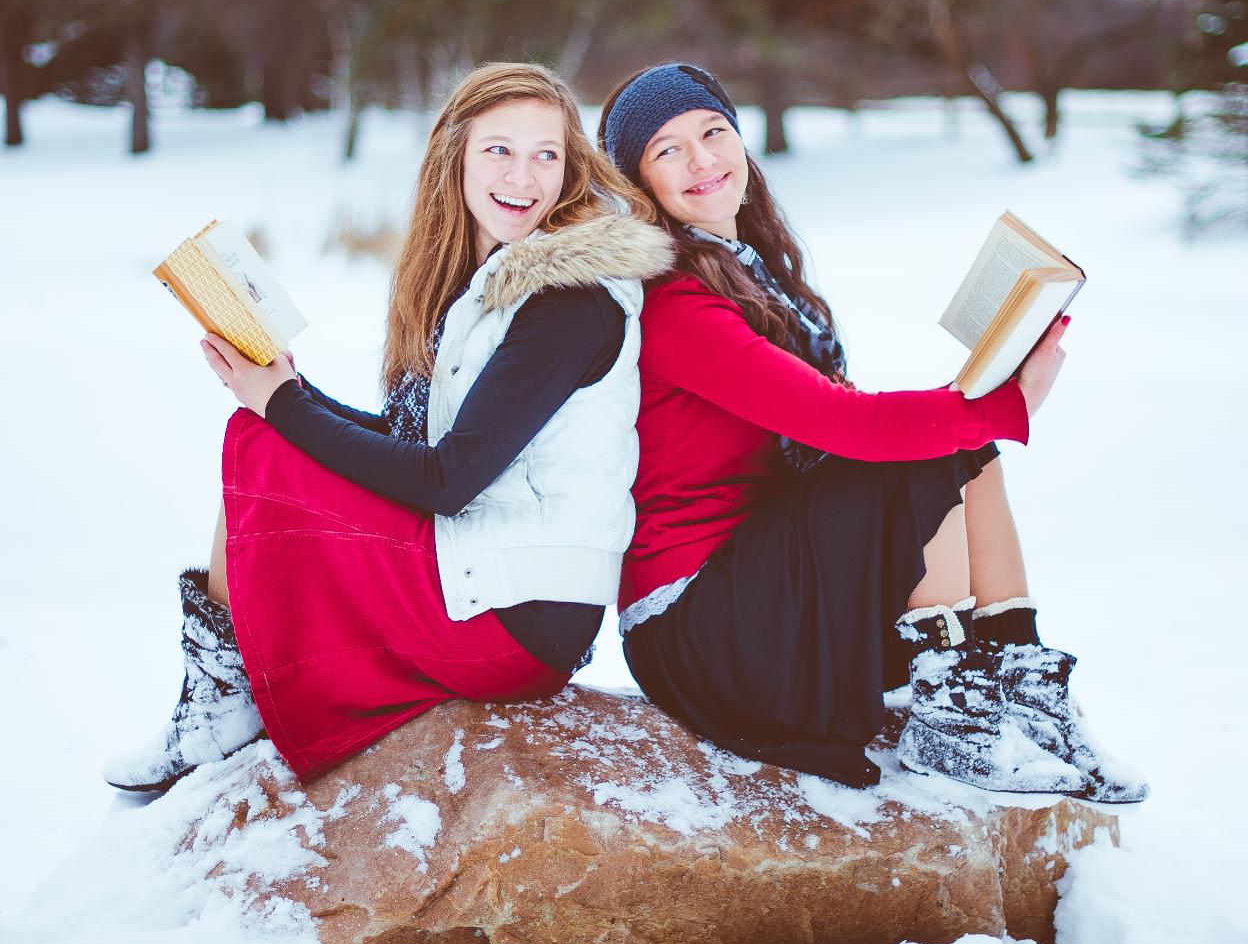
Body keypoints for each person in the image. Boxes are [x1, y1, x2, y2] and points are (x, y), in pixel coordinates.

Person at [104, 62, 673, 793]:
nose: (523, 176)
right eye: (499, 149)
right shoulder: (494, 284)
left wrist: (284, 405)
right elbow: (425, 451)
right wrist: (289, 390)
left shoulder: (567, 299)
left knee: (263, 444)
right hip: (494, 572)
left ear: (568, 172)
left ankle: (223, 699)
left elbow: (448, 479)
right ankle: (225, 693)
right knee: (268, 435)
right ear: (456, 158)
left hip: (519, 616)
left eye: (546, 155)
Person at [597, 62, 1147, 800]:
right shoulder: (675, 301)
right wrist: (1000, 406)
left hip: (766, 584)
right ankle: (949, 712)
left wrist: (982, 395)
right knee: (920, 449)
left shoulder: (756, 274)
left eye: (712, 132)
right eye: (667, 150)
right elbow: (841, 424)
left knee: (956, 447)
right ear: (640, 184)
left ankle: (1026, 689)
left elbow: (840, 418)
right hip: (700, 624)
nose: (701, 160)